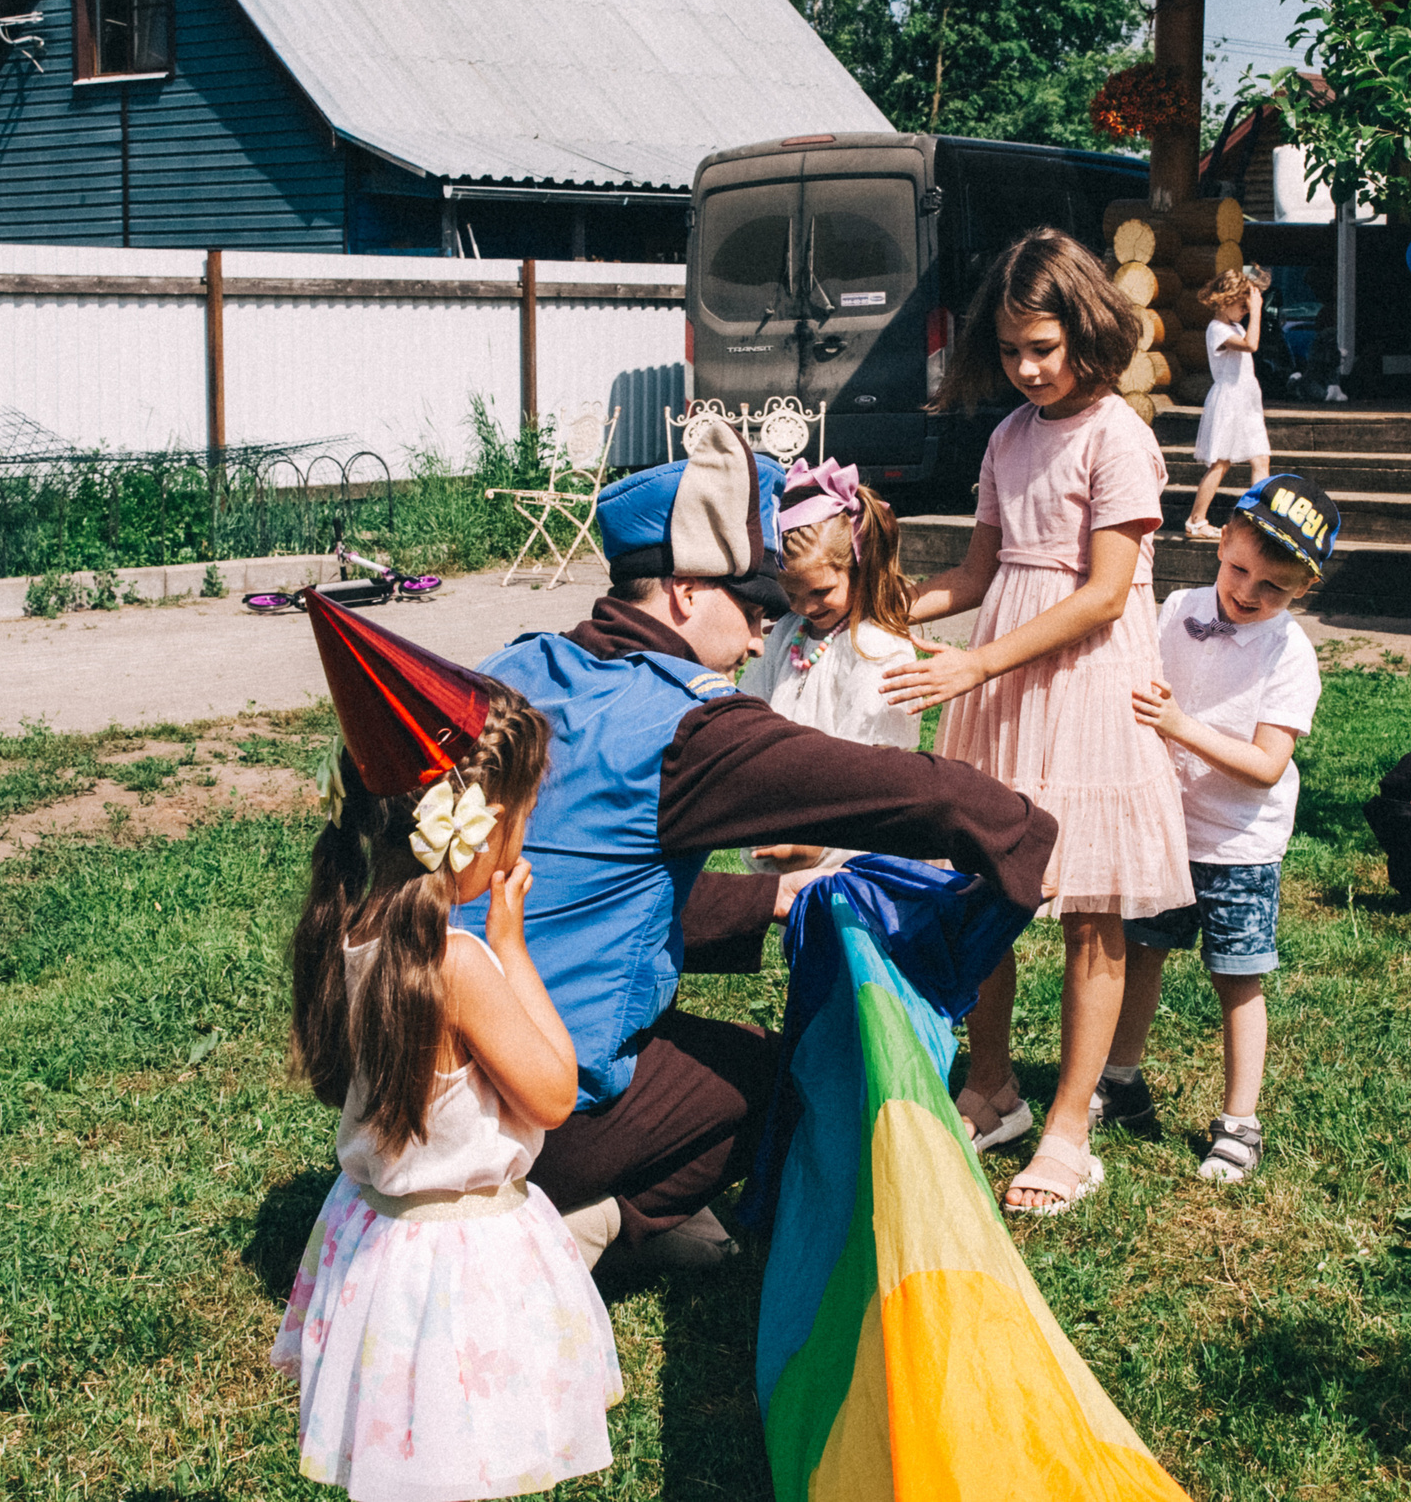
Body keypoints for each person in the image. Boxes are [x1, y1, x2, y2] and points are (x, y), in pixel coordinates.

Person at [469, 418, 1060, 1273]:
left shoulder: (515, 668)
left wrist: (768, 899)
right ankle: (581, 1225)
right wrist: (1015, 831)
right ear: (683, 592)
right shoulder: (685, 724)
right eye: (752, 610)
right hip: (533, 1111)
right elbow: (883, 788)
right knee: (780, 1085)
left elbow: (590, 890)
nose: (757, 639)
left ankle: (567, 1199)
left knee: (692, 1044)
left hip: (431, 1069)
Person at [273, 597, 623, 1501]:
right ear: (475, 824)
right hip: (465, 1266)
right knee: (470, 1460)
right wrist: (511, 947)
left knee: (414, 1465)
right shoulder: (457, 960)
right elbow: (552, 1091)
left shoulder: (344, 927)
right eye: (522, 817)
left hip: (381, 1241)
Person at [885, 226, 1195, 1217]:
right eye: (1012, 350)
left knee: (1092, 912)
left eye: (1045, 349)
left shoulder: (1118, 438)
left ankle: (1069, 1126)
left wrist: (974, 658)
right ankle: (992, 1088)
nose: (1026, 369)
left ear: (1089, 334)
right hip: (1004, 688)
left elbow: (1106, 595)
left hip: (1092, 685)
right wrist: (879, 612)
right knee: (987, 894)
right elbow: (977, 577)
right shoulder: (1009, 438)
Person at [1103, 475, 1334, 1184]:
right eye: (1239, 569)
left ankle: (1239, 1122)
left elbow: (1266, 764)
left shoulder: (1288, 655)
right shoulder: (1177, 609)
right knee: (1141, 951)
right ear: (1221, 538)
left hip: (1238, 844)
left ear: (1303, 590)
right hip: (1164, 826)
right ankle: (1120, 1080)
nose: (1248, 592)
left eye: (1274, 586)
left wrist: (1180, 726)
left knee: (1237, 974)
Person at [737, 458, 920, 876]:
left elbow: (873, 766)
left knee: (845, 928)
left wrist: (817, 840)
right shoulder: (789, 632)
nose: (804, 606)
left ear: (860, 566)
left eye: (821, 591)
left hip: (846, 828)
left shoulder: (877, 647)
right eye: (791, 593)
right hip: (787, 813)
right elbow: (752, 708)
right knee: (795, 928)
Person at [1182, 268, 1274, 541]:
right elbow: (1251, 345)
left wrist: (1251, 311)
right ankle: (1196, 520)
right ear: (1224, 300)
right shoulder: (1217, 329)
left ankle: (1260, 518)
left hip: (1246, 399)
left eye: (1249, 306)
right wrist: (1257, 311)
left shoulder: (1234, 324)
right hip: (1230, 401)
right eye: (1242, 305)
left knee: (1260, 458)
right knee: (1221, 463)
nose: (1247, 310)